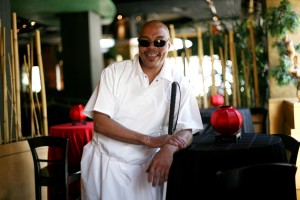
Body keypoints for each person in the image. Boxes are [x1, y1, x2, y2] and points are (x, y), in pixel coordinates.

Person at [81, 20, 203, 200]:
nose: (151, 48)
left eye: (159, 42)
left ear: (169, 45)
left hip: (147, 171)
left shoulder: (178, 82)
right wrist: (148, 140)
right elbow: (101, 123)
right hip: (106, 166)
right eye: (145, 42)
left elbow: (187, 130)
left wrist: (169, 149)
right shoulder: (114, 72)